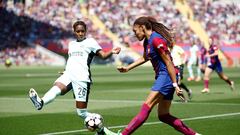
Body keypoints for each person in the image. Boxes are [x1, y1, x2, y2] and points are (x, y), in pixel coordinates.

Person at [104, 16, 200, 135]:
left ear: (142, 27)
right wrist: (128, 68)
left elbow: (169, 62)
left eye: (135, 31)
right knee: (163, 115)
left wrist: (175, 84)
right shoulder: (147, 41)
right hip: (165, 77)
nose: (135, 34)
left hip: (166, 77)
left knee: (146, 107)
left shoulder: (156, 40)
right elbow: (145, 57)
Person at [28, 20, 121, 135]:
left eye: (82, 31)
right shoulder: (71, 44)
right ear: (74, 32)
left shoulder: (91, 42)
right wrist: (66, 71)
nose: (80, 33)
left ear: (85, 31)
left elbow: (102, 56)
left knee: (81, 113)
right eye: (78, 31)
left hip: (81, 78)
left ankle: (103, 131)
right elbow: (73, 61)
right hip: (69, 74)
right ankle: (40, 103)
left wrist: (111, 51)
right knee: (57, 88)